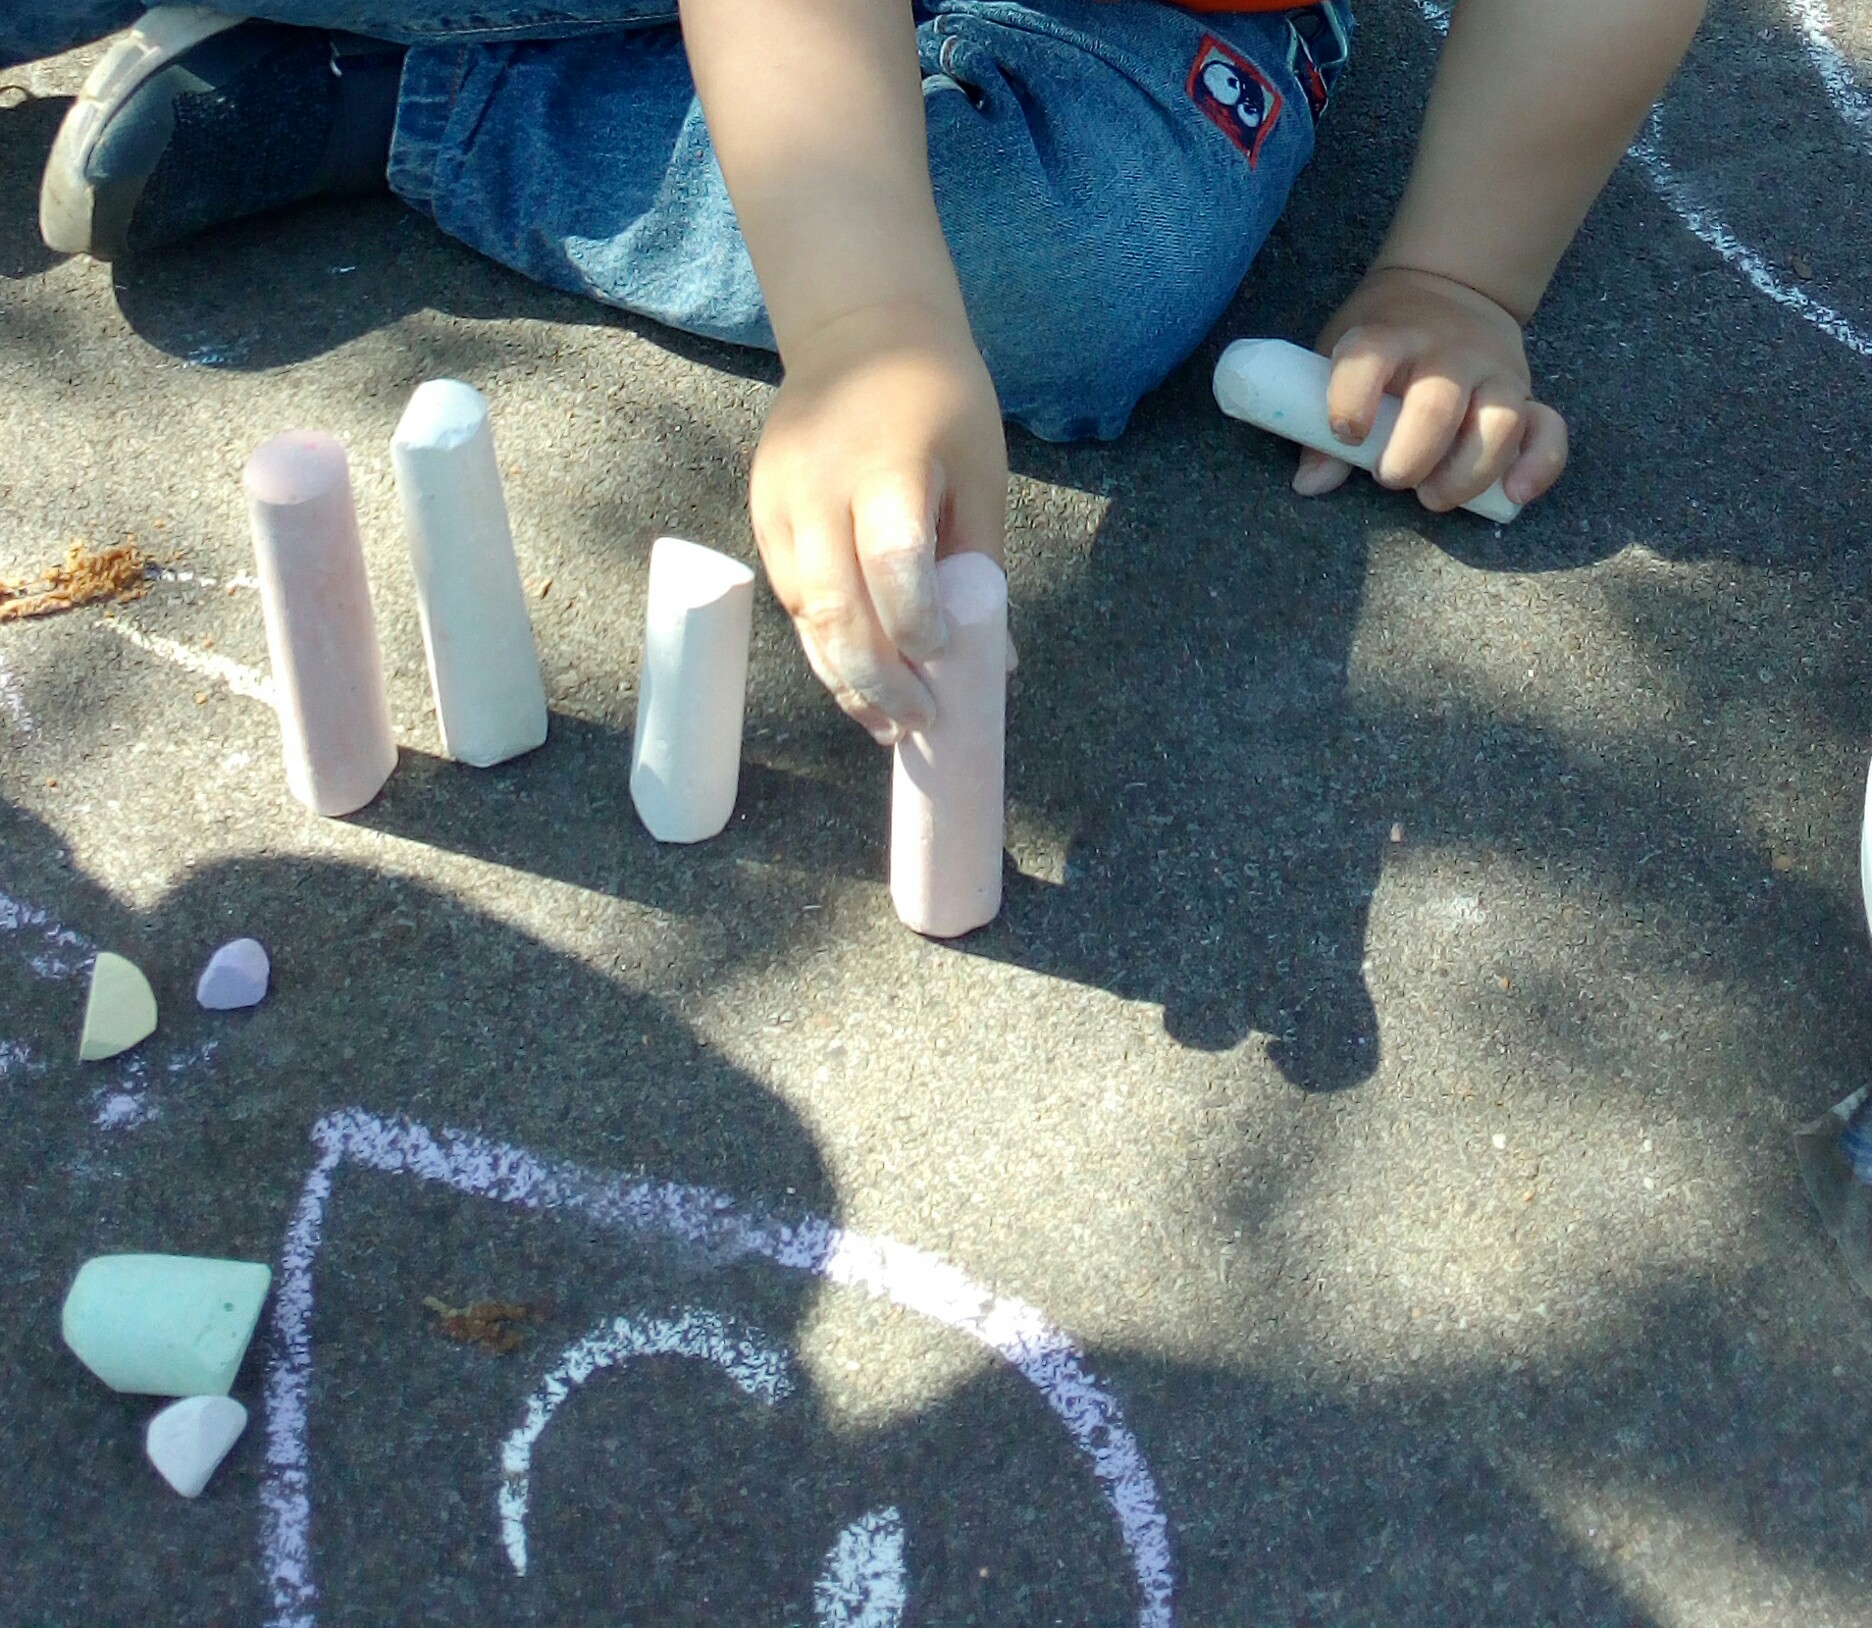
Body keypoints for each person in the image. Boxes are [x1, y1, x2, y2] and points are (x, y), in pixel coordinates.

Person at [10, 0, 1707, 743]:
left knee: (1080, 264)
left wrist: (1458, 274)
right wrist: (863, 322)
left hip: (1143, 21)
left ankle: (404, 98)